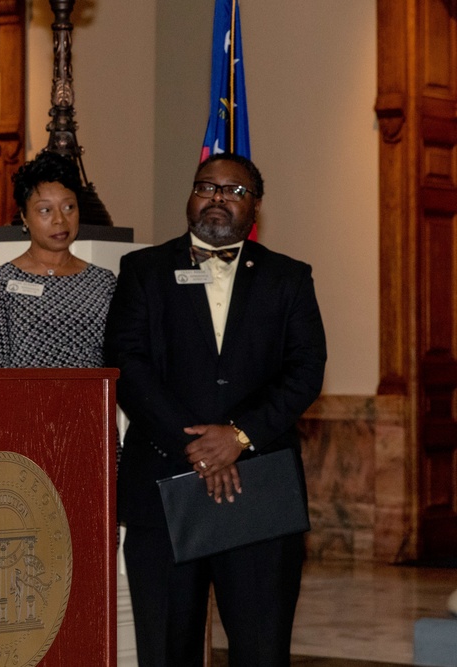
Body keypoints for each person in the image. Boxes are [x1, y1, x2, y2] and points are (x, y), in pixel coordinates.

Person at [103, 153, 326, 666]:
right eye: (207, 186)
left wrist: (239, 436)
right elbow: (126, 362)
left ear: (256, 207)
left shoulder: (288, 278)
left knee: (260, 649)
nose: (218, 198)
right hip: (164, 481)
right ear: (192, 195)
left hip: (258, 484)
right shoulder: (143, 270)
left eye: (234, 190)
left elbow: (305, 370)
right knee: (164, 650)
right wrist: (198, 444)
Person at [0, 150, 116, 368]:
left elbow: (119, 357)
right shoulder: (0, 281)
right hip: (23, 399)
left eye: (69, 207)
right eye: (46, 210)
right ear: (24, 216)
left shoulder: (103, 281)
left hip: (90, 399)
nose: (60, 220)